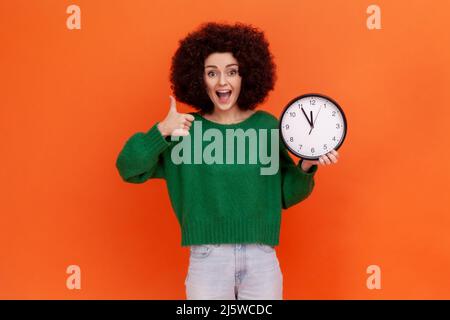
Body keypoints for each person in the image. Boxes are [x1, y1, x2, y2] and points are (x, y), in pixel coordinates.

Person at [115, 22, 339, 300]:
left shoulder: (267, 126)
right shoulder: (184, 129)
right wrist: (160, 131)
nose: (222, 82)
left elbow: (285, 194)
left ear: (246, 76)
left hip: (261, 258)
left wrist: (306, 164)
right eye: (212, 73)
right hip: (208, 258)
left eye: (232, 72)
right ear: (200, 79)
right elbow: (128, 168)